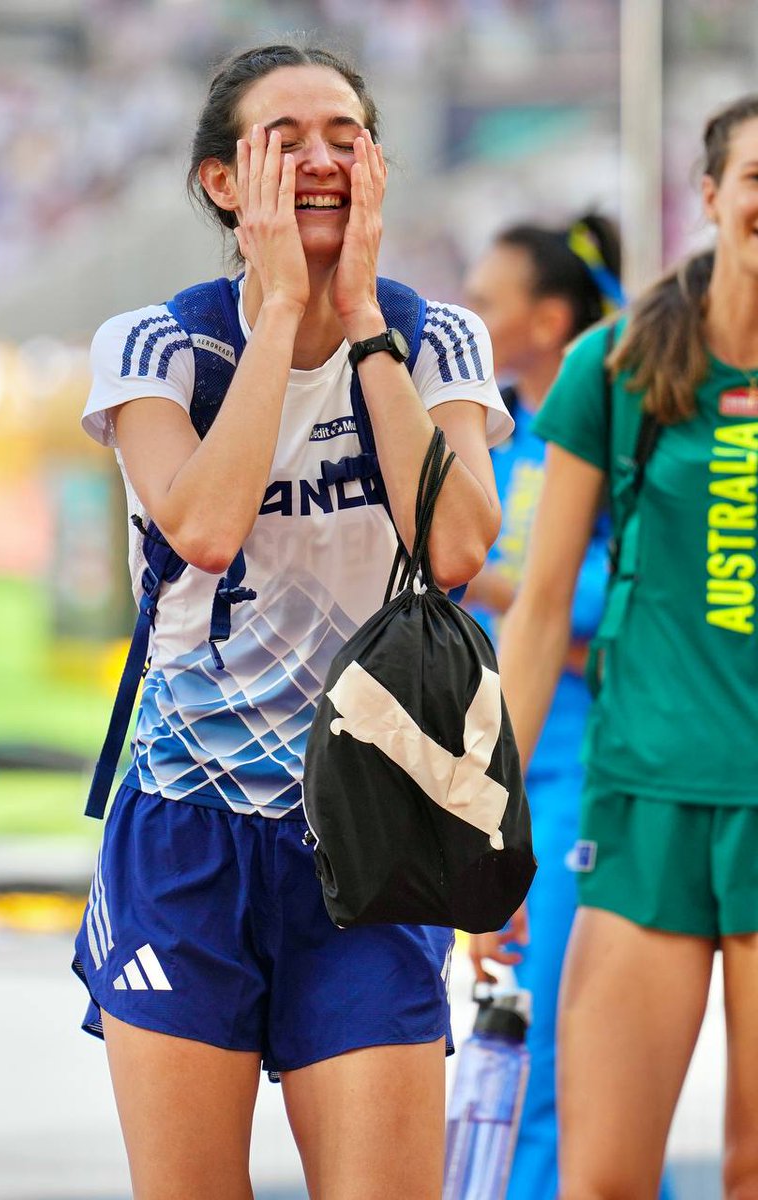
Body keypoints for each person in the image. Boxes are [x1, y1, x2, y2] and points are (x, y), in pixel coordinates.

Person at [73, 41, 512, 1199]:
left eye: (344, 137)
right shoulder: (157, 344)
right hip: (187, 833)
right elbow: (204, 528)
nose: (321, 159)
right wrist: (277, 316)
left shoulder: (436, 339)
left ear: (378, 165)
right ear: (225, 182)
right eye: (285, 141)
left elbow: (462, 545)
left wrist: (362, 321)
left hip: (370, 833)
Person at [494, 93, 758, 1199]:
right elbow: (541, 608)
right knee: (599, 1180)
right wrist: (493, 830)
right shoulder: (614, 365)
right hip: (642, 804)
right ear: (711, 195)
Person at [461, 215, 630, 1200]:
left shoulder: (609, 430)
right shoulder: (505, 439)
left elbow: (621, 605)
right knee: (523, 1052)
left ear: (549, 318)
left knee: (544, 1058)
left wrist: (507, 588)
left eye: (487, 300)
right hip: (506, 773)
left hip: (583, 781)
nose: (468, 317)